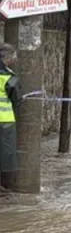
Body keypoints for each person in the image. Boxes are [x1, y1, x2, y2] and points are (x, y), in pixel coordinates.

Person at [0, 43, 21, 197]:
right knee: (4, 154)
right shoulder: (8, 76)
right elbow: (16, 99)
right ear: (8, 58)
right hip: (4, 121)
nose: (15, 59)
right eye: (14, 57)